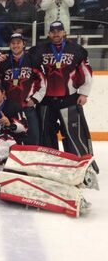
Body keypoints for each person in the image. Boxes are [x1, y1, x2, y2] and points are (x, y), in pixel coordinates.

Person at [29, 21, 98, 173]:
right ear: (48, 34)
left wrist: (84, 93)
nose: (56, 33)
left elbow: (86, 71)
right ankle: (51, 166)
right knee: (46, 134)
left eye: (59, 30)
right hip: (45, 101)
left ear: (64, 32)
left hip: (69, 99)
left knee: (73, 133)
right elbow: (29, 70)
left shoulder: (77, 49)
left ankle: (80, 166)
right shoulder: (38, 50)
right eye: (53, 31)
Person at [0, 33, 46, 145]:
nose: (15, 45)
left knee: (33, 139)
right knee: (10, 139)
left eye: (18, 43)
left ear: (24, 44)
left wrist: (35, 99)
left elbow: (43, 81)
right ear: (9, 45)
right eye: (13, 43)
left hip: (27, 106)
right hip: (9, 108)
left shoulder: (33, 60)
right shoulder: (4, 61)